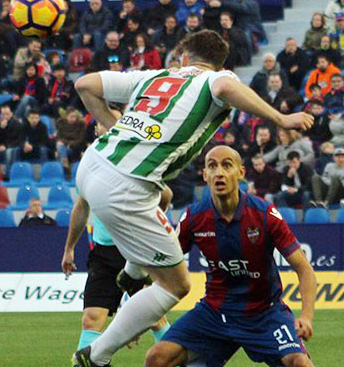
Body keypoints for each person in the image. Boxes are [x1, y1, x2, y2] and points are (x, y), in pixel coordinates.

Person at [68, 30, 313, 367]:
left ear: (183, 55)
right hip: (125, 184)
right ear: (218, 63)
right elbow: (226, 87)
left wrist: (114, 127)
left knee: (158, 206)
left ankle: (133, 272)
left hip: (91, 165)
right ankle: (96, 357)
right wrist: (280, 118)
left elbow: (85, 85)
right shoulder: (214, 78)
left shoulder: (153, 76)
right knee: (176, 285)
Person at [145, 145, 316, 367]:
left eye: (227, 165)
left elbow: (304, 269)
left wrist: (306, 316)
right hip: (215, 313)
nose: (219, 172)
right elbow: (163, 267)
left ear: (241, 173)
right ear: (205, 175)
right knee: (156, 358)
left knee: (299, 363)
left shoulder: (264, 214)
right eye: (212, 166)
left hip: (264, 313)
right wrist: (142, 318)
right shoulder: (195, 217)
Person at [63, 185, 173, 355]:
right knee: (91, 318)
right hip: (104, 254)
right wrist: (69, 248)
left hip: (136, 250)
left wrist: (147, 225)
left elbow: (165, 195)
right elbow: (82, 207)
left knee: (155, 318)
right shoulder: (90, 169)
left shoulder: (131, 165)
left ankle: (176, 361)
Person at [0, 104, 23, 172]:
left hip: (12, 147)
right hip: (0, 147)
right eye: (3, 114)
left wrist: (6, 146)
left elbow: (18, 140)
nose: (5, 116)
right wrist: (1, 129)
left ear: (11, 114)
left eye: (7, 114)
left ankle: (8, 174)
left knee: (9, 152)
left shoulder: (17, 124)